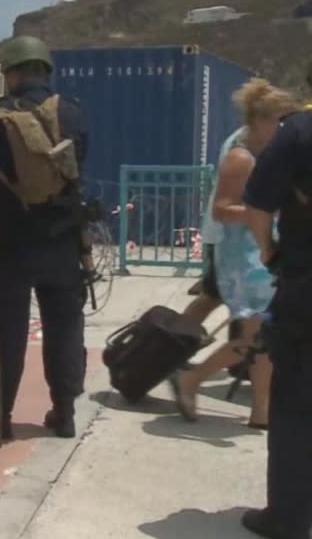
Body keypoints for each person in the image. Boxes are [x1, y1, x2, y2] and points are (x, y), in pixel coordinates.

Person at [0, 35, 88, 440]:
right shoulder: (74, 113)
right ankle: (64, 412)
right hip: (65, 238)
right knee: (65, 325)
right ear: (45, 70)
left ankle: (3, 419)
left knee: (8, 333)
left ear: (11, 73)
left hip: (12, 242)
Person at [170, 80, 298, 429]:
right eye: (280, 121)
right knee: (256, 337)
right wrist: (262, 210)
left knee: (265, 340)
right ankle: (192, 379)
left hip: (260, 255)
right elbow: (223, 209)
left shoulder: (271, 156)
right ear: (260, 120)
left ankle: (261, 411)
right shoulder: (241, 157)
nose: (286, 128)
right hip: (242, 260)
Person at [239, 105, 312, 538]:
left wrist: (270, 253)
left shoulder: (299, 130)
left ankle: (287, 516)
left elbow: (257, 206)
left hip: (307, 285)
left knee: (296, 402)